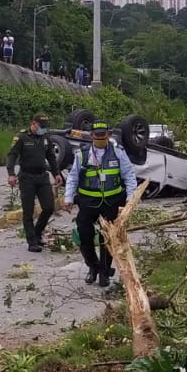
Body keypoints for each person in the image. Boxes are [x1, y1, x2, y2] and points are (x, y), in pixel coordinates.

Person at [63, 120, 138, 287]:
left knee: (108, 239)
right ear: (91, 136)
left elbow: (129, 175)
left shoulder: (117, 152)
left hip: (111, 202)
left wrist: (130, 199)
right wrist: (68, 198)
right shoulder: (82, 154)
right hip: (88, 202)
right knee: (84, 237)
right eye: (97, 135)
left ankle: (104, 272)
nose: (100, 138)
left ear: (108, 134)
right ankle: (93, 267)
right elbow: (73, 177)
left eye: (103, 134)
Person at [7, 113, 65, 252]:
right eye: (41, 126)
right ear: (33, 124)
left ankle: (38, 232)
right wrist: (11, 174)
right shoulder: (22, 137)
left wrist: (57, 173)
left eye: (45, 127)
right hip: (27, 177)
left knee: (49, 207)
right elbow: (12, 155)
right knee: (28, 211)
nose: (43, 129)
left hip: (42, 177)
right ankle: (32, 241)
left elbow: (51, 156)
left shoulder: (46, 138)